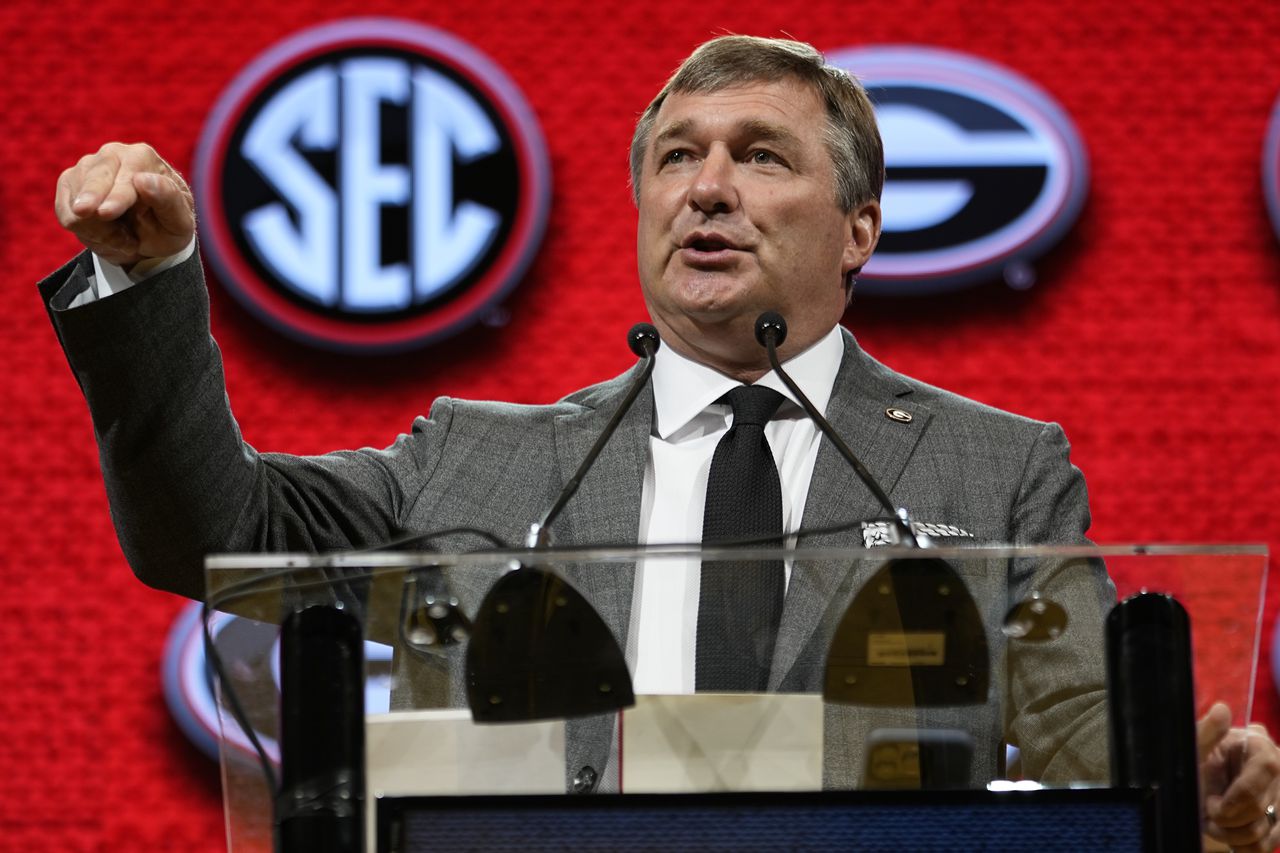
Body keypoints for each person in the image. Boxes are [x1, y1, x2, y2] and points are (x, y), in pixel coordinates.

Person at [43, 34, 1280, 849]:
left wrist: (1198, 793)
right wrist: (149, 277)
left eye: (757, 158)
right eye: (675, 159)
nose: (704, 187)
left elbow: (1084, 751)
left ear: (856, 229)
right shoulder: (478, 457)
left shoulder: (992, 468)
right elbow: (213, 535)